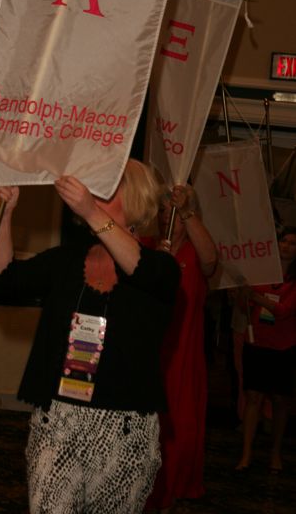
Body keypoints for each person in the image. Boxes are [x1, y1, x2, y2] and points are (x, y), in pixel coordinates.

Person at [0, 159, 180, 514]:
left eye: (107, 187)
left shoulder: (160, 267)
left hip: (125, 429)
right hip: (58, 420)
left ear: (135, 199)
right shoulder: (67, 259)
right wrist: (4, 214)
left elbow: (138, 268)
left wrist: (92, 211)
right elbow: (5, 281)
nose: (93, 193)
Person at [144, 184, 218, 513]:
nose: (166, 217)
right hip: (149, 350)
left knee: (181, 425)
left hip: (183, 350)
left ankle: (173, 488)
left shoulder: (196, 250)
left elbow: (211, 261)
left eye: (171, 210)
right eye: (162, 211)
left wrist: (187, 211)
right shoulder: (147, 246)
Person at [235, 225, 296, 474]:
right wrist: (241, 294)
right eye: (284, 241)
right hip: (257, 342)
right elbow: (243, 307)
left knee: (281, 400)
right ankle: (246, 454)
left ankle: (275, 453)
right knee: (253, 398)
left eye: (293, 243)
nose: (287, 246)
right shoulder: (260, 272)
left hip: (285, 347)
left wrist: (255, 297)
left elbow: (283, 311)